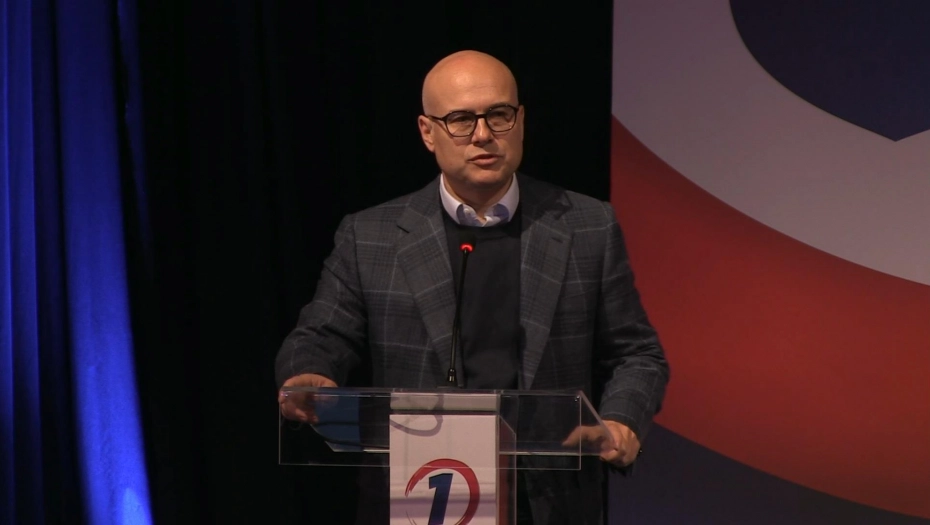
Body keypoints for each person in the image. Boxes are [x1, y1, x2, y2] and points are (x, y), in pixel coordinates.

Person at [276, 50, 669, 524]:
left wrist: (622, 421)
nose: (483, 135)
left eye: (499, 115)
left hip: (548, 500)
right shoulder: (371, 235)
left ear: (521, 121)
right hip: (420, 494)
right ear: (428, 132)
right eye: (461, 120)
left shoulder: (588, 226)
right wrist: (308, 374)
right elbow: (321, 335)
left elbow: (637, 353)